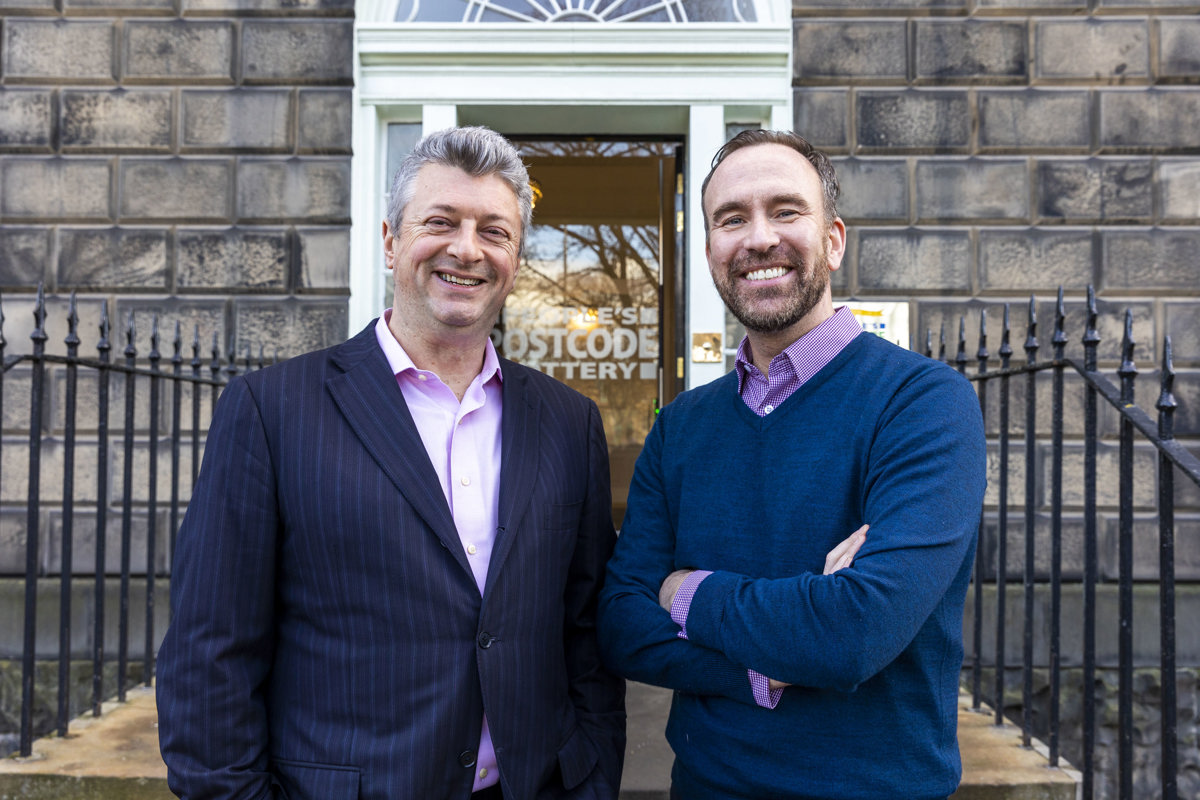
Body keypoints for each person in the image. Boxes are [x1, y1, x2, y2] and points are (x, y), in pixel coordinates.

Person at [157, 126, 626, 800]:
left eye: (494, 231)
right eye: (441, 221)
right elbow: (210, 657)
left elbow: (583, 633)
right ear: (390, 241)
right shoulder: (271, 410)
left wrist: (592, 780)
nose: (467, 249)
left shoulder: (568, 422)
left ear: (516, 260)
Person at [596, 130, 986, 800]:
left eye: (785, 211)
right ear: (712, 251)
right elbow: (622, 624)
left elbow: (856, 631)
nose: (758, 238)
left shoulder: (923, 404)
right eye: (731, 219)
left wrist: (684, 591)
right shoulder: (682, 427)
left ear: (833, 240)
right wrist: (760, 668)